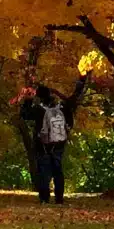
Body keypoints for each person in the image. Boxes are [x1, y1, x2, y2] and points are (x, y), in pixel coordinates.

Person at [20, 74, 88, 204]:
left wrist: (28, 100)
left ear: (39, 97)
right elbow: (70, 117)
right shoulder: (62, 107)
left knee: (43, 171)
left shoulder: (39, 109)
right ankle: (59, 198)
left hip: (42, 144)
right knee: (58, 170)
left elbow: (24, 114)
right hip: (59, 143)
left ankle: (44, 198)